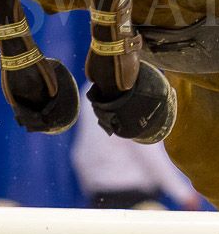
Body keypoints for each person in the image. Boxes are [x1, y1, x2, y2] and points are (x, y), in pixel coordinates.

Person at [71, 84, 202, 210]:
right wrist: (184, 194)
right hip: (134, 201)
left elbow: (80, 154)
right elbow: (149, 152)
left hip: (100, 200)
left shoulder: (89, 91)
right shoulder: (134, 90)